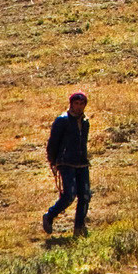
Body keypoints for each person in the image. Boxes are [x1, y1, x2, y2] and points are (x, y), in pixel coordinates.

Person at [43, 90, 92, 236]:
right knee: (69, 195)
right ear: (71, 104)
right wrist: (53, 161)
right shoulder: (62, 120)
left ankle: (79, 228)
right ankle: (50, 215)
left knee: (85, 196)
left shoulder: (85, 122)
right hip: (66, 162)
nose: (79, 106)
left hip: (82, 163)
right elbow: (53, 143)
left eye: (81, 104)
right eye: (76, 103)